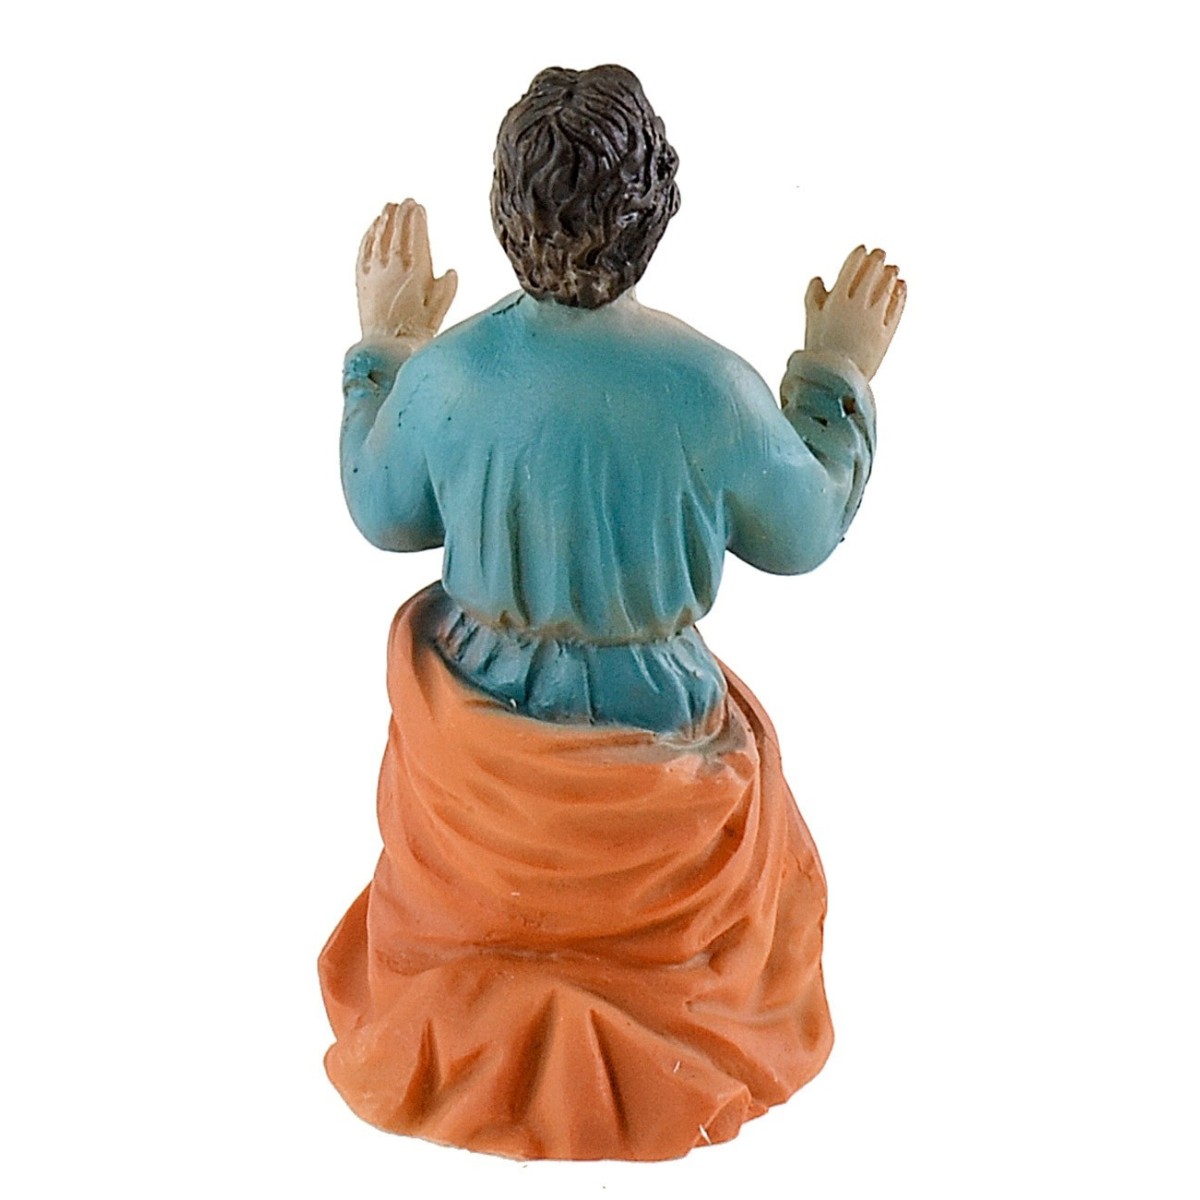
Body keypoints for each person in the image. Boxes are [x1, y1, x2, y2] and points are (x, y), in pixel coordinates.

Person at [320, 65, 905, 1161]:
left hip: (479, 758)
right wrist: (836, 373)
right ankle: (668, 991)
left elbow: (380, 508)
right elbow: (804, 531)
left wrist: (384, 353)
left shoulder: (446, 378)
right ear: (656, 210)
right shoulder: (712, 390)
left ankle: (487, 969)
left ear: (503, 210)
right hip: (657, 739)